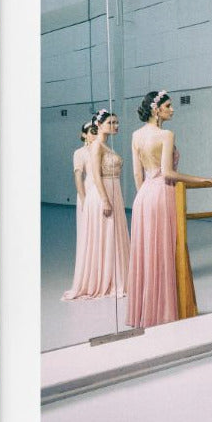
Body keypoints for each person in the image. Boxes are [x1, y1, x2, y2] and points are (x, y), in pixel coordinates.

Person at [126, 91, 212, 328]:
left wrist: (145, 196)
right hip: (163, 192)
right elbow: (168, 173)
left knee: (149, 251)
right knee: (167, 248)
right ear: (155, 109)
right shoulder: (166, 134)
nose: (173, 109)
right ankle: (164, 309)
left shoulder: (136, 135)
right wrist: (202, 180)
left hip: (144, 196)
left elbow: (137, 174)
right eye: (168, 106)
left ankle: (146, 309)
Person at [63, 110, 130, 300]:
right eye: (111, 122)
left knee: (113, 235)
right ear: (99, 125)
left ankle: (116, 277)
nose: (115, 126)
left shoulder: (106, 147)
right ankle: (103, 280)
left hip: (113, 191)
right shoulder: (96, 147)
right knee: (106, 235)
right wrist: (105, 200)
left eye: (116, 122)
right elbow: (95, 176)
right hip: (103, 194)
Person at [68, 120, 98, 287]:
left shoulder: (100, 150)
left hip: (100, 193)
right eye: (91, 131)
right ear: (84, 135)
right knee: (88, 232)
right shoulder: (80, 153)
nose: (94, 134)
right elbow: (78, 176)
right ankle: (90, 271)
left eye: (96, 131)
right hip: (87, 193)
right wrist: (84, 199)